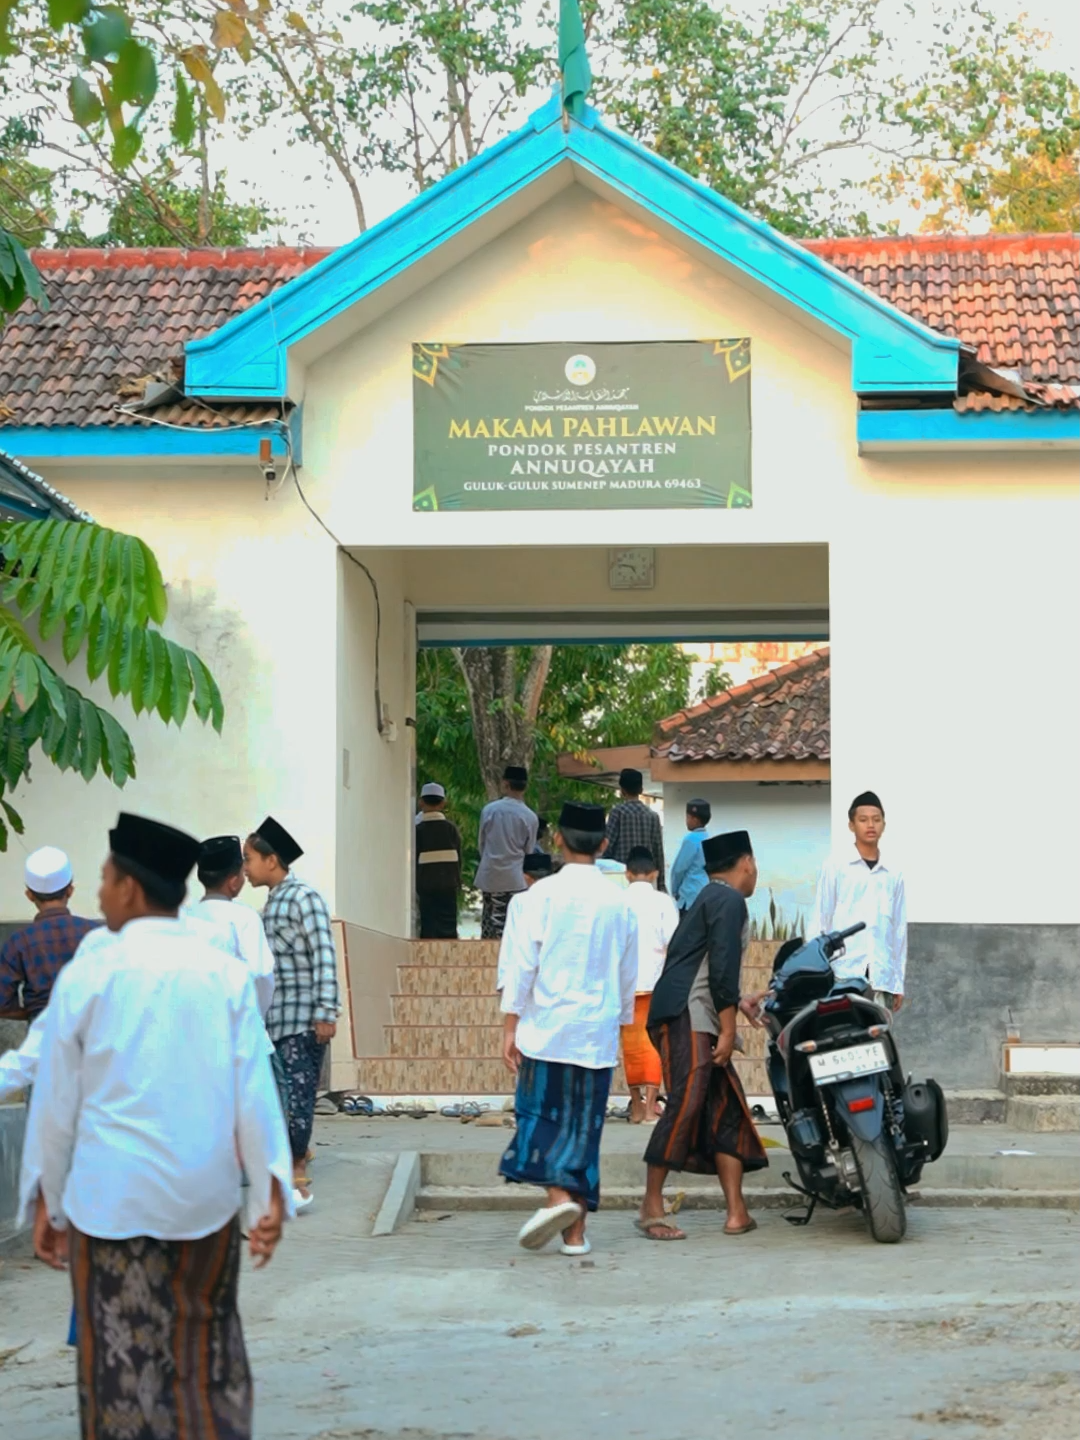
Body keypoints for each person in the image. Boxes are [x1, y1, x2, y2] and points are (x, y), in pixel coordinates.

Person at [19, 812, 292, 1440]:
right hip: (206, 1200)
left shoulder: (91, 973)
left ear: (131, 889)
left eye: (104, 879)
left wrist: (46, 1200)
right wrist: (271, 1192)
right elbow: (251, 1091)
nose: (97, 894)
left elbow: (59, 1103)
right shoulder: (223, 976)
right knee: (204, 1358)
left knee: (118, 1369)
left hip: (109, 1203)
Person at [498, 802, 637, 1257]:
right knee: (583, 1131)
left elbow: (521, 968)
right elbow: (627, 974)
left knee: (539, 1121)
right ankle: (575, 1236)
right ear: (603, 845)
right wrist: (619, 1025)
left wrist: (509, 1026)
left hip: (547, 1030)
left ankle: (558, 1200)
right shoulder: (621, 903)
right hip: (594, 1035)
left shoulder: (535, 898)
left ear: (557, 839)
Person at [638, 831, 769, 1241]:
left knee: (726, 1107)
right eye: (754, 865)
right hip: (688, 1015)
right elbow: (723, 966)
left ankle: (736, 1212)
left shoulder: (706, 899)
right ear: (746, 863)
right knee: (687, 1102)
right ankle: (651, 1204)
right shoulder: (729, 900)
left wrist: (737, 1004)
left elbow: (705, 965)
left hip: (695, 1011)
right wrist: (728, 1028)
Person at [243, 817, 339, 1213]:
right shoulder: (274, 900)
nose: (245, 868)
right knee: (282, 1099)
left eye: (249, 859)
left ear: (272, 860)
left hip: (302, 1018)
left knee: (298, 1098)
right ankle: (290, 1160)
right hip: (276, 1020)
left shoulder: (304, 898)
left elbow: (324, 955)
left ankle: (297, 1171)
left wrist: (326, 1011)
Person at [814, 790, 907, 1012]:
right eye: (863, 820)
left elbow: (899, 931)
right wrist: (818, 972)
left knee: (878, 1038)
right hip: (843, 974)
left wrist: (898, 981)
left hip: (881, 977)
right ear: (851, 825)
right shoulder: (836, 866)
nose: (870, 825)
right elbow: (821, 918)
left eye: (876, 819)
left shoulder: (893, 874)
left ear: (884, 824)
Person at [0, 847, 100, 1020]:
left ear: (29, 895)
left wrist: (36, 1013)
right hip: (92, 1034)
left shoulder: (18, 942)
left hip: (43, 1039)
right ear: (70, 890)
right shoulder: (96, 933)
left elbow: (2, 1004)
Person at [621, 847, 680, 1124]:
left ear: (627, 873)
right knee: (654, 1046)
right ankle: (650, 1107)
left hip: (623, 985)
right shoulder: (664, 902)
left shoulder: (616, 901)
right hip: (655, 983)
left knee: (630, 1047)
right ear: (655, 873)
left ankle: (636, 1104)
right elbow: (674, 944)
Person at [186, 835, 276, 1017]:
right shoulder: (245, 918)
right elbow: (261, 975)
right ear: (234, 882)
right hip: (235, 1026)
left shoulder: (186, 917)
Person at [475, 765, 539, 939]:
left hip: (490, 876)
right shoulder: (530, 817)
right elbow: (529, 850)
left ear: (505, 784)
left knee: (490, 925)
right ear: (525, 786)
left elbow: (481, 843)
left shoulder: (489, 810)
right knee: (514, 927)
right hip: (515, 878)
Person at [605, 768, 667, 891]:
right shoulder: (653, 816)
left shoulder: (617, 813)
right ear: (641, 790)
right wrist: (660, 884)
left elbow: (607, 847)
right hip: (648, 879)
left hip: (622, 878)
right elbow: (658, 852)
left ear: (622, 790)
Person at [415, 783, 463, 939]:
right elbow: (459, 860)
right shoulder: (452, 830)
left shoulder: (417, 830)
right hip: (449, 885)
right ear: (443, 803)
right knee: (448, 927)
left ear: (421, 802)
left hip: (425, 886)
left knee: (428, 926)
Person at [669, 799, 712, 913]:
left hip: (689, 896)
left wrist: (675, 891)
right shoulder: (708, 838)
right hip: (704, 894)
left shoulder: (691, 839)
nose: (686, 821)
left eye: (688, 817)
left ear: (695, 819)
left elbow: (679, 869)